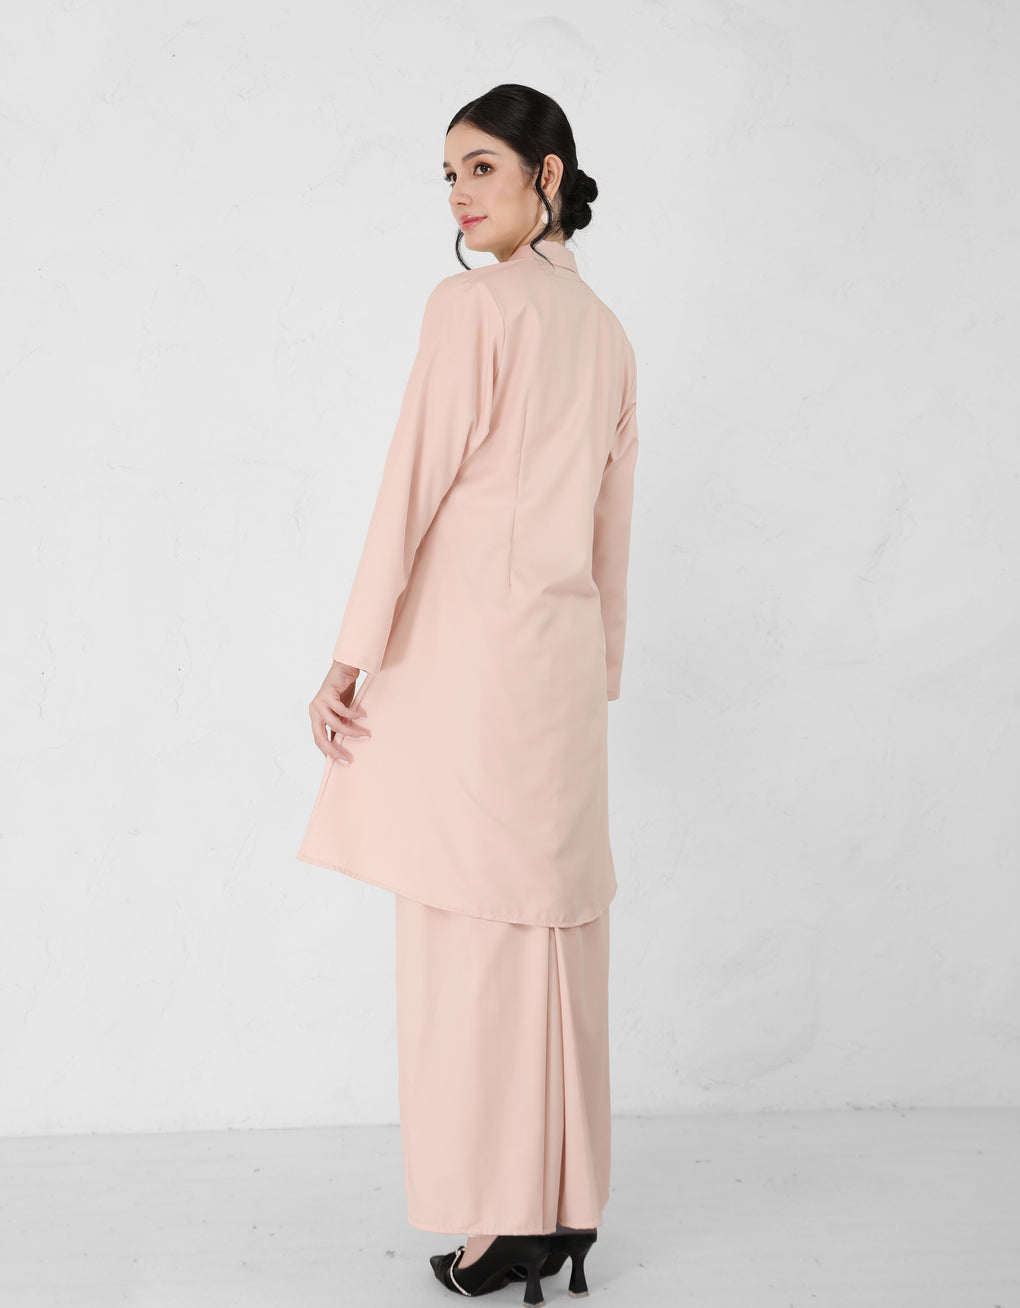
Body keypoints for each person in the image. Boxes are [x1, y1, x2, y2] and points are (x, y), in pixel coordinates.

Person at [298, 83, 639, 1304]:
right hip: (556, 671)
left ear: (548, 174)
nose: (457, 193)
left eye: (481, 166)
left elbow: (412, 486)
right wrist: (597, 672)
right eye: (447, 173)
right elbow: (611, 531)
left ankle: (503, 1223)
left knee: (470, 941)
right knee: (551, 933)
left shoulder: (472, 308)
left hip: (469, 670)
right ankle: (566, 1207)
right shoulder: (607, 332)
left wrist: (350, 654)